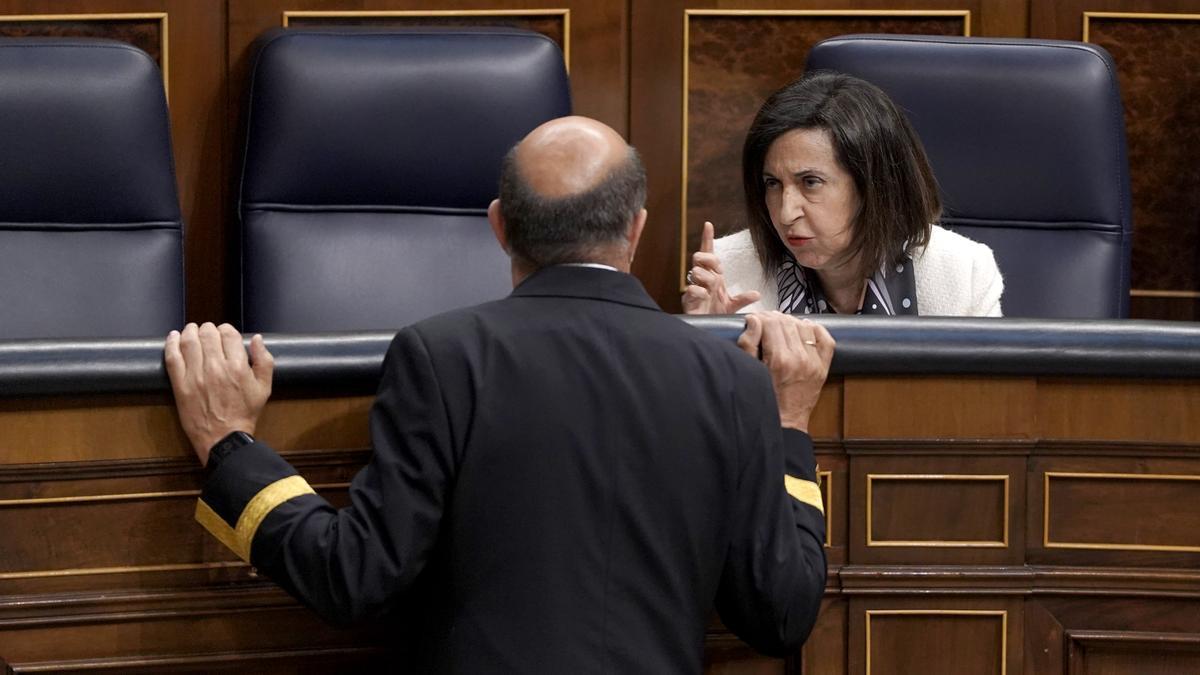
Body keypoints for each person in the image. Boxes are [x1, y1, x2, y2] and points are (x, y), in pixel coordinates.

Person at [164, 116, 832, 673]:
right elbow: (780, 614)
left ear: (499, 227)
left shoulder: (444, 357)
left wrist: (230, 446)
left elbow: (353, 576)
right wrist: (791, 430)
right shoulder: (731, 378)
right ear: (636, 228)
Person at [683, 71, 1003, 317]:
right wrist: (709, 345)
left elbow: (985, 402)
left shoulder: (964, 272)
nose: (785, 213)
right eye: (772, 184)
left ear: (874, 187)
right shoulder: (728, 271)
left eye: (810, 182)